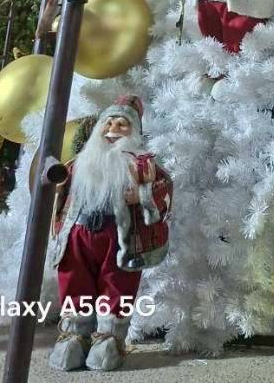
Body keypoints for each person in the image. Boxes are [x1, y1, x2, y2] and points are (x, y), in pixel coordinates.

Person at [48, 95, 172, 372]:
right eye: (109, 123)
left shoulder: (141, 165)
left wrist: (141, 195)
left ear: (134, 132)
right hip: (78, 235)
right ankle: (74, 336)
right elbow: (57, 187)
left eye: (122, 125)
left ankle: (109, 340)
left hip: (119, 237)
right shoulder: (80, 162)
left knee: (117, 284)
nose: (113, 129)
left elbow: (164, 189)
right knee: (73, 280)